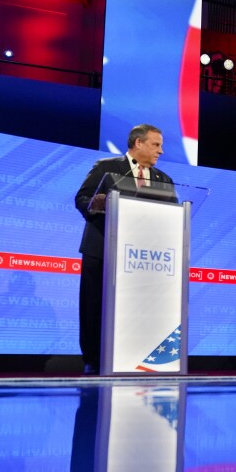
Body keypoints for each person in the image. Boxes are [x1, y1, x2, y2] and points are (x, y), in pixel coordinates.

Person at [74, 124, 175, 374]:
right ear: (138, 143)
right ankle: (93, 361)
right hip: (103, 252)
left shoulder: (163, 180)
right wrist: (97, 204)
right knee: (95, 307)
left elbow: (174, 216)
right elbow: (82, 199)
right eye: (156, 144)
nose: (161, 151)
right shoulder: (106, 168)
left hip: (144, 258)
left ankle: (136, 359)